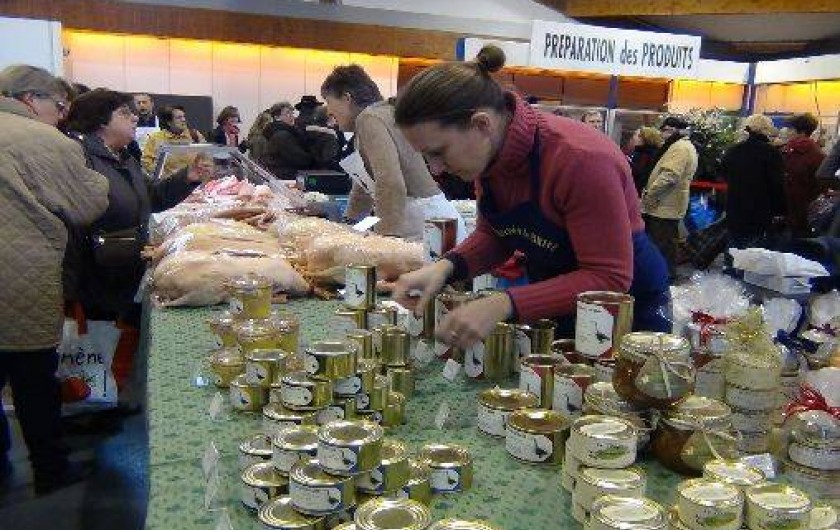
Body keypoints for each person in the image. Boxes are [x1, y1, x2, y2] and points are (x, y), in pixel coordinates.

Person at [390, 46, 670, 348]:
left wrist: (503, 303)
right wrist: (445, 268)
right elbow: (496, 236)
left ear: (482, 124)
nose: (435, 168)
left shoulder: (581, 160)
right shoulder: (492, 156)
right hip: (559, 298)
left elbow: (608, 278)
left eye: (439, 152)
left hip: (629, 311)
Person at [0, 65, 109, 493]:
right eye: (59, 106)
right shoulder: (44, 140)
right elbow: (86, 204)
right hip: (19, 277)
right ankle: (50, 471)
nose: (63, 116)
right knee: (33, 380)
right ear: (31, 100)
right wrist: (99, 176)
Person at [64, 89, 207, 328]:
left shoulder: (124, 157)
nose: (134, 118)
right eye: (124, 113)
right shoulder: (79, 157)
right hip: (98, 279)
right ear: (100, 120)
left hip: (126, 271)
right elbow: (80, 215)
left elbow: (152, 197)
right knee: (102, 344)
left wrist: (188, 178)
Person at [321, 64, 465, 241]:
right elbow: (365, 189)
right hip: (426, 218)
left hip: (422, 222)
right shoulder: (379, 114)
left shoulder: (369, 119)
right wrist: (350, 225)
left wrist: (385, 239)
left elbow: (390, 182)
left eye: (328, 101)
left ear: (346, 98)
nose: (328, 110)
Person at [641, 116, 698, 280]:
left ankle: (664, 281)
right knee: (663, 246)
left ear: (675, 131)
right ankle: (662, 278)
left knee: (663, 247)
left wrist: (650, 193)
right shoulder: (680, 146)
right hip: (664, 205)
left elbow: (670, 175)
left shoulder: (679, 148)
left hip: (664, 206)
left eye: (665, 130)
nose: (662, 134)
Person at [720, 114, 786, 249]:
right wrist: (780, 210)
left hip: (735, 207)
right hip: (760, 210)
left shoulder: (733, 150)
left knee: (733, 248)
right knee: (753, 253)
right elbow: (777, 185)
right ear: (766, 129)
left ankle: (731, 269)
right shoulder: (771, 153)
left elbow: (723, 174)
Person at [782, 113, 826, 237]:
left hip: (788, 212)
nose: (787, 132)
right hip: (807, 213)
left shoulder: (787, 151)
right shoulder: (820, 154)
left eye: (790, 129)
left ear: (800, 131)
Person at [141, 105, 205, 176]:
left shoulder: (195, 135)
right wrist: (164, 176)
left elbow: (207, 156)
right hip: (167, 183)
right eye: (179, 118)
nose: (183, 120)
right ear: (169, 122)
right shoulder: (156, 138)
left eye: (184, 117)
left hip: (194, 182)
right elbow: (146, 162)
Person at [261, 101, 316, 180]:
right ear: (277, 117)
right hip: (286, 177)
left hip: (282, 176)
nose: (292, 117)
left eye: (292, 113)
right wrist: (314, 157)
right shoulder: (282, 136)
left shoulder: (281, 132)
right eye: (287, 113)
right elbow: (299, 158)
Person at [627, 127, 663, 195]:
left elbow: (640, 175)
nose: (634, 138)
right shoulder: (640, 152)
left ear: (647, 138)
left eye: (638, 136)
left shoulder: (647, 155)